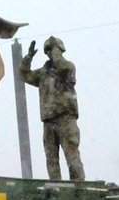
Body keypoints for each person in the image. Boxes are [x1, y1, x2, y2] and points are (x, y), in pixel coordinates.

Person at [20, 36, 85, 181]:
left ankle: (79, 186)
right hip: (48, 121)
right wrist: (28, 58)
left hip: (66, 118)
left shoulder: (67, 67)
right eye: (47, 50)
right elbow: (24, 75)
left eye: (52, 49)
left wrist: (56, 51)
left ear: (60, 50)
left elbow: (63, 68)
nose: (50, 53)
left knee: (71, 155)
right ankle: (56, 185)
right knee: (51, 158)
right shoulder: (43, 73)